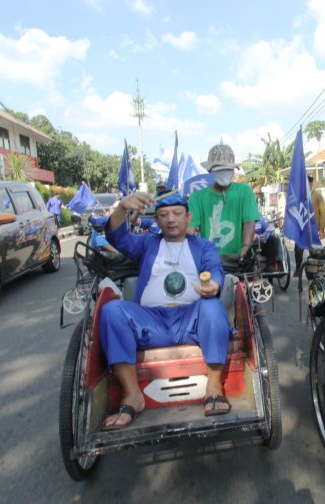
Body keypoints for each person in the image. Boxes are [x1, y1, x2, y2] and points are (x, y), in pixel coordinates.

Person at [99, 191, 232, 428]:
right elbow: (117, 237)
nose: (171, 219)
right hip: (152, 322)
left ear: (188, 217)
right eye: (164, 215)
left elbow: (215, 269)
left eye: (177, 213)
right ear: (157, 221)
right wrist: (121, 208)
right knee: (112, 311)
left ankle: (214, 385)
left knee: (212, 307)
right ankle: (132, 394)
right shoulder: (147, 243)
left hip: (191, 319)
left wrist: (214, 285)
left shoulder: (204, 246)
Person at [188, 144, 260, 266]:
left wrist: (246, 247)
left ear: (233, 170)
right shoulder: (197, 196)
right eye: (220, 170)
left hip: (239, 260)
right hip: (208, 261)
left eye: (227, 170)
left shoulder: (245, 191)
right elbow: (190, 229)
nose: (224, 173)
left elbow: (249, 222)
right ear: (210, 171)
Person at [293, 174, 325, 276]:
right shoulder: (299, 196)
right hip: (301, 230)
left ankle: (313, 272)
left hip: (313, 229)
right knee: (298, 250)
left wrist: (321, 228)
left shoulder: (317, 196)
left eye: (308, 183)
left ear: (311, 183)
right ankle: (298, 267)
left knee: (314, 252)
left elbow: (323, 212)